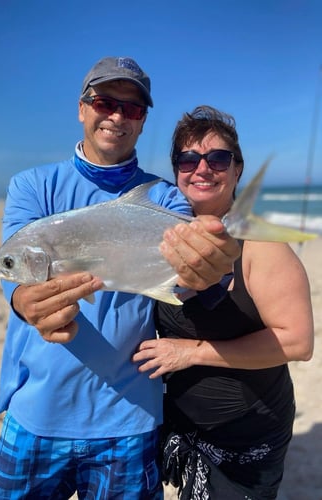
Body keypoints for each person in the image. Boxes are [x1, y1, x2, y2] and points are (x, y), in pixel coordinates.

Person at [0, 60, 240, 499]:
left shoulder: (164, 197)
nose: (118, 116)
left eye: (134, 108)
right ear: (82, 109)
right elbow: (18, 275)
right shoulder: (32, 185)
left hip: (129, 417)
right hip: (37, 412)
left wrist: (207, 272)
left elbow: (181, 282)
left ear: (143, 122)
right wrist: (26, 302)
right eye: (105, 102)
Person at [133, 105, 314, 499]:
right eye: (188, 159)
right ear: (176, 171)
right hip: (186, 421)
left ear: (237, 170)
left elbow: (298, 342)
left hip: (247, 432)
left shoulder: (261, 243)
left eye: (217, 158)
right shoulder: (163, 236)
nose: (202, 169)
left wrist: (190, 352)